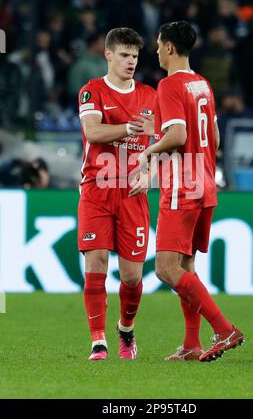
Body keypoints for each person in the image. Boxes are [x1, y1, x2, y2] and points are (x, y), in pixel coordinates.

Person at [132, 21, 245, 362]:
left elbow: (179, 135)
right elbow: (214, 137)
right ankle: (192, 345)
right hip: (206, 183)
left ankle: (225, 329)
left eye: (157, 44)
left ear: (168, 47)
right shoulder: (203, 85)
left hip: (182, 185)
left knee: (165, 268)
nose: (154, 50)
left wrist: (148, 151)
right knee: (186, 266)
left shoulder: (168, 85)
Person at [78, 27, 156, 361]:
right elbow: (92, 131)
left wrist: (150, 172)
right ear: (108, 54)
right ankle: (98, 341)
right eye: (124, 55)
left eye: (135, 56)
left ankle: (125, 331)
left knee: (132, 276)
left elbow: (156, 145)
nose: (130, 62)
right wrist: (127, 128)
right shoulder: (92, 91)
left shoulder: (150, 96)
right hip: (96, 189)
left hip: (132, 195)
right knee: (96, 262)